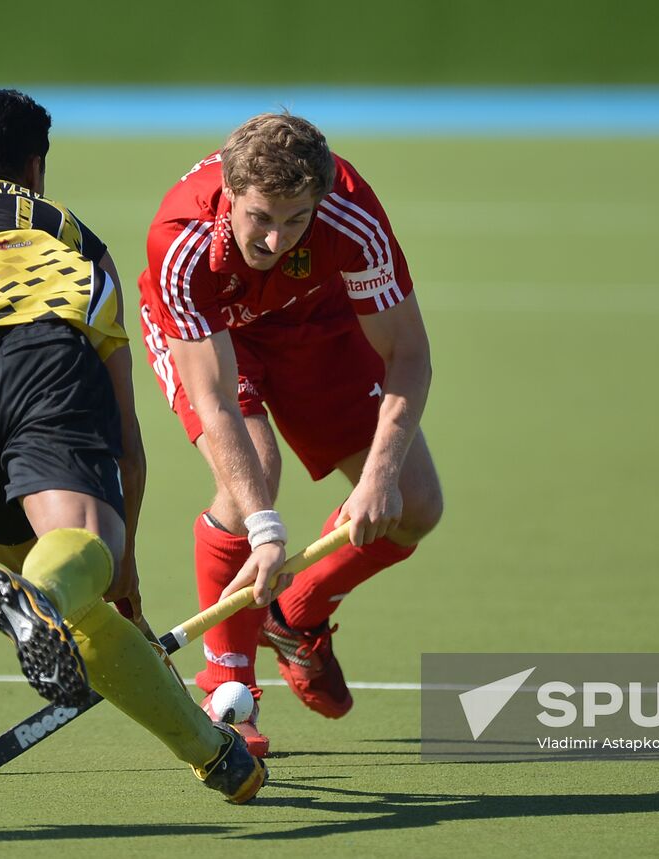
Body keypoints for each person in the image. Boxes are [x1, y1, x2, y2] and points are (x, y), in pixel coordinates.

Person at [0, 85, 265, 803]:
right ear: (36, 168)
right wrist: (124, 562)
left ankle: (221, 759)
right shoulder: (70, 233)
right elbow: (125, 436)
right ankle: (43, 596)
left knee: (77, 605)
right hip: (43, 361)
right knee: (81, 562)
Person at [137, 113, 444, 756]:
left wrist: (381, 474)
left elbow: (409, 355)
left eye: (295, 220)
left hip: (316, 318)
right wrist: (266, 529)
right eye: (260, 219)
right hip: (218, 336)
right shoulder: (181, 239)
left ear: (320, 201)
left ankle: (295, 611)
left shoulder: (348, 214)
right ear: (229, 191)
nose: (276, 240)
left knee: (415, 505)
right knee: (254, 474)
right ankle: (228, 691)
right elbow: (216, 400)